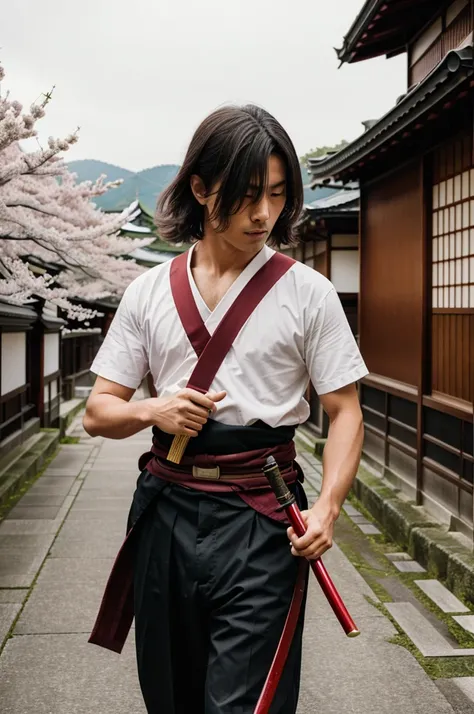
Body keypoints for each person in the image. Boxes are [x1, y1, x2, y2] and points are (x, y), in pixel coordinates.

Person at [83, 104, 368, 714]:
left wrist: (328, 508)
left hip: (263, 517)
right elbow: (98, 412)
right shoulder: (148, 291)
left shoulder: (306, 292)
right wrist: (153, 410)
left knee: (243, 704)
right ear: (200, 188)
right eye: (244, 195)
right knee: (172, 692)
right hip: (167, 513)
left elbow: (345, 410)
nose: (263, 213)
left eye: (276, 194)